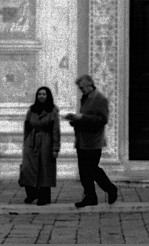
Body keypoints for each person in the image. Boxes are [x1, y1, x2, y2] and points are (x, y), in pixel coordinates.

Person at [64, 74, 119, 208]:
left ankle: (110, 189)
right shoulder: (85, 98)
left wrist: (82, 117)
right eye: (80, 88)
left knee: (92, 169)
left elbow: (102, 120)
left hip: (94, 141)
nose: (81, 90)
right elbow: (86, 118)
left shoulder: (100, 99)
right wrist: (75, 120)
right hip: (82, 140)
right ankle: (90, 196)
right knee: (84, 170)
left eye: (82, 88)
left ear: (90, 85)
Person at [18, 86, 60, 206]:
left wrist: (55, 147)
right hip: (31, 142)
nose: (41, 96)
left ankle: (44, 197)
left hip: (46, 142)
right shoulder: (31, 110)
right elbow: (27, 125)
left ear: (48, 96)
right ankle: (32, 193)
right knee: (27, 168)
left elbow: (55, 130)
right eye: (39, 94)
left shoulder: (52, 111)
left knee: (44, 169)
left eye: (44, 94)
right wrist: (26, 141)